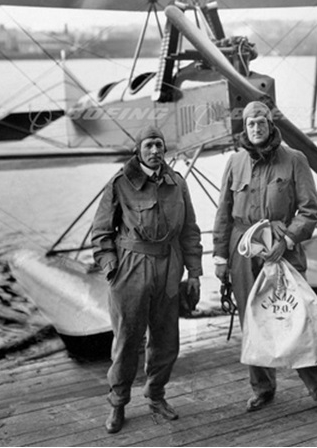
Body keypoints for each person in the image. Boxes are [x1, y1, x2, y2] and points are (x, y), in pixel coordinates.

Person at [212, 101, 317, 416]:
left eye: (261, 122)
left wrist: (286, 239)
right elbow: (223, 214)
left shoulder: (295, 160)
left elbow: (309, 210)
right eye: (250, 124)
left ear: (271, 125)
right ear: (244, 128)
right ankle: (263, 389)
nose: (256, 128)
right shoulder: (235, 162)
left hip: (283, 250)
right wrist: (220, 257)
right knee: (253, 321)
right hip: (244, 252)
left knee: (297, 320)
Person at [91, 125, 203, 434]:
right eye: (149, 145)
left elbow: (189, 230)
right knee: (127, 340)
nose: (155, 151)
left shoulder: (177, 183)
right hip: (131, 269)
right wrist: (112, 268)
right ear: (138, 150)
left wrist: (193, 271)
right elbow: (101, 233)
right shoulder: (119, 183)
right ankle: (118, 403)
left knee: (166, 341)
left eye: (159, 145)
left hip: (169, 266)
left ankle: (156, 395)